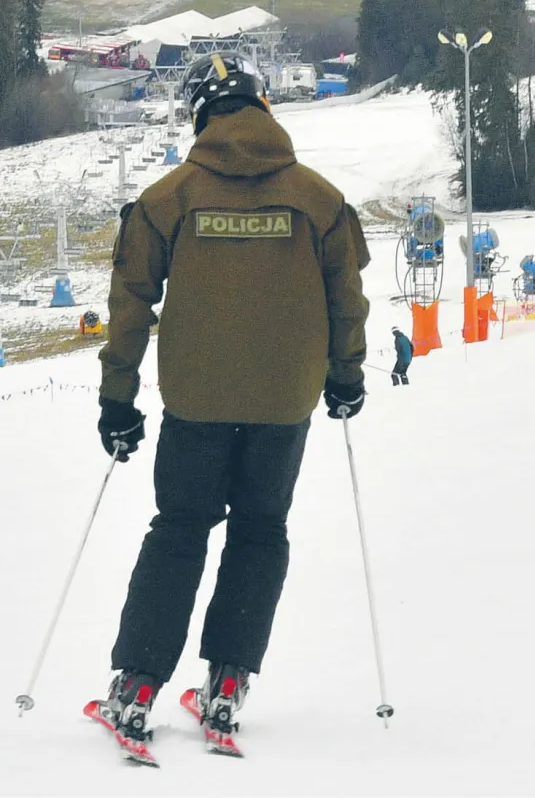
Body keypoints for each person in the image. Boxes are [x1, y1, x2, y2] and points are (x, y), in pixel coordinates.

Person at [90, 51, 370, 760]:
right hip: (284, 401)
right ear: (265, 110)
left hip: (196, 400)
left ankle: (138, 686)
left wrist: (117, 399)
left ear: (200, 118)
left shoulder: (167, 199)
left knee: (179, 529)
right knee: (260, 530)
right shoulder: (318, 198)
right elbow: (348, 301)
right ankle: (227, 682)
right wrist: (347, 375)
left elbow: (129, 305)